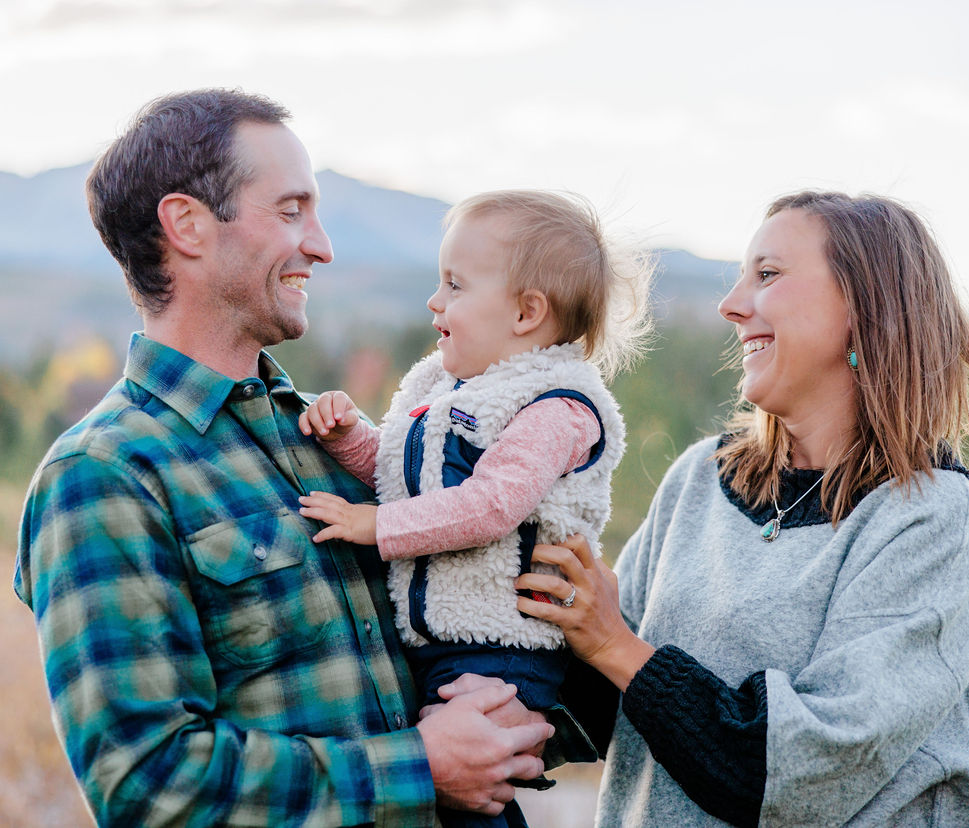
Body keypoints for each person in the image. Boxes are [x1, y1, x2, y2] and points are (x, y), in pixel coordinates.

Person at [14, 89, 564, 827]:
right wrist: (419, 767)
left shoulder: (337, 441)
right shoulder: (103, 476)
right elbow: (146, 782)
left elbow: (471, 653)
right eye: (290, 210)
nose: (322, 245)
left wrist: (562, 678)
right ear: (187, 225)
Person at [517, 191, 969, 826]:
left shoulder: (930, 519)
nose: (731, 305)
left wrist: (612, 642)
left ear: (864, 307)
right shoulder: (699, 477)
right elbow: (607, 699)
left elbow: (794, 773)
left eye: (768, 274)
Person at [295, 190, 654, 827]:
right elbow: (405, 481)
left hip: (503, 647)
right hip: (441, 642)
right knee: (447, 790)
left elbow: (489, 507)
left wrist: (373, 527)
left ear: (526, 312)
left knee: (474, 790)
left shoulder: (556, 408)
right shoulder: (445, 387)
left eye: (455, 285)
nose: (435, 301)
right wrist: (347, 438)